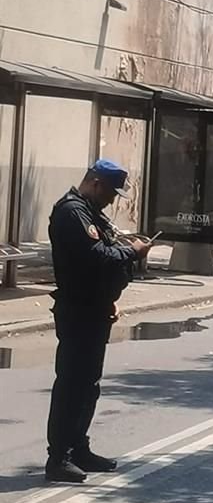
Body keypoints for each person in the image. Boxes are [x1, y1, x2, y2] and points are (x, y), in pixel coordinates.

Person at [45, 159, 153, 483]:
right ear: (95, 183)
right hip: (78, 311)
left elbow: (103, 255)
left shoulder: (91, 213)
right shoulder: (72, 212)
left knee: (87, 386)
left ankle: (79, 447)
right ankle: (58, 457)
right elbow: (97, 257)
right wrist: (133, 253)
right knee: (71, 386)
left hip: (94, 309)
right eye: (109, 192)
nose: (111, 200)